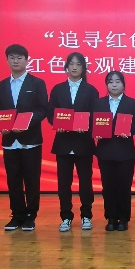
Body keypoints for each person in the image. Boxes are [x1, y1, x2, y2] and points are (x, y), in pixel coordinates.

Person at [0, 44, 48, 231]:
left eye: (19, 58)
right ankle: (17, 215)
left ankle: (31, 216)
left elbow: (43, 110)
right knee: (13, 180)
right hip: (9, 141)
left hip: (30, 140)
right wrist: (3, 124)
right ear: (7, 60)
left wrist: (25, 123)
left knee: (32, 180)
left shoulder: (37, 83)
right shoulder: (2, 85)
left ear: (26, 60)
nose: (15, 61)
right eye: (12, 57)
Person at [47, 53, 99, 232]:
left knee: (85, 182)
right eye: (71, 64)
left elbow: (95, 114)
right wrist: (57, 124)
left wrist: (86, 125)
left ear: (83, 68)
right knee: (64, 183)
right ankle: (66, 216)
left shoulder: (91, 90)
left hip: (84, 143)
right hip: (63, 143)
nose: (74, 67)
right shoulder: (58, 89)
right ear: (66, 67)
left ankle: (86, 215)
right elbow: (51, 112)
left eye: (78, 64)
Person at [94, 71, 135, 231]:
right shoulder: (98, 103)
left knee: (124, 186)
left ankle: (123, 218)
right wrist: (96, 132)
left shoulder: (132, 103)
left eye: (117, 81)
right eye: (110, 82)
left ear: (123, 84)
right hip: (105, 151)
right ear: (106, 85)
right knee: (108, 187)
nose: (114, 85)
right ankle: (111, 217)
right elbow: (93, 123)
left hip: (125, 151)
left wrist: (129, 131)